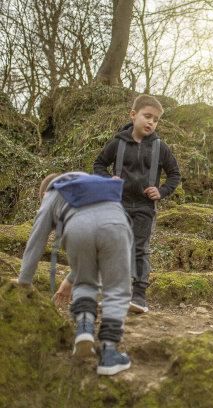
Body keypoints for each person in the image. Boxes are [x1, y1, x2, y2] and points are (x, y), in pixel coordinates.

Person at [15, 172, 133, 376]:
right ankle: (109, 353)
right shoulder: (94, 181)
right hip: (116, 224)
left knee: (85, 283)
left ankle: (84, 329)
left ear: (44, 193)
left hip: (77, 228)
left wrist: (24, 280)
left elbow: (38, 236)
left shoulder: (53, 192)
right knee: (116, 288)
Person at [94, 94, 181, 314]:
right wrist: (107, 180)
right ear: (133, 115)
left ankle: (139, 297)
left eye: (156, 119)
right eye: (147, 116)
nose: (151, 122)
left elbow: (174, 175)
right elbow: (99, 164)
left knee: (140, 251)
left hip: (144, 208)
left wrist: (161, 191)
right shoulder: (118, 143)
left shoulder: (161, 147)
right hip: (118, 206)